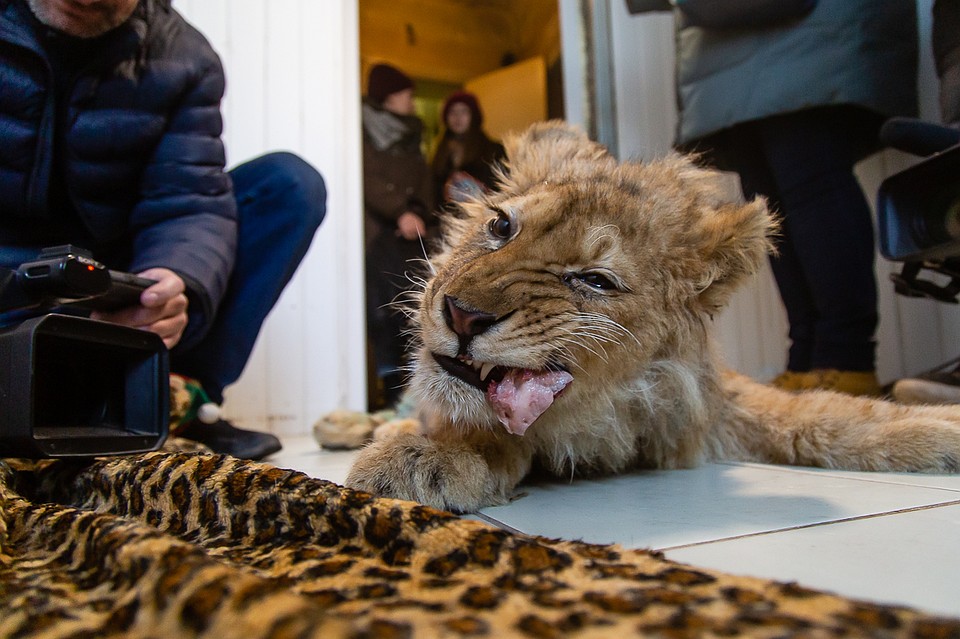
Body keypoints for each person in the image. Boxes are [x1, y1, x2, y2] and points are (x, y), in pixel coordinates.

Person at [0, 0, 327, 458]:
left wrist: (174, 279)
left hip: (109, 285)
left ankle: (186, 399)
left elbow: (188, 200)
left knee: (289, 187)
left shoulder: (186, 57)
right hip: (8, 282)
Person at [628, 0, 919, 396]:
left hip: (807, 34)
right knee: (770, 191)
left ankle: (846, 357)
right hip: (745, 52)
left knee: (809, 178)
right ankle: (808, 359)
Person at [361, 63, 435, 409]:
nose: (412, 101)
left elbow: (424, 180)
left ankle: (413, 393)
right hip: (376, 235)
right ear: (391, 96)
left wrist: (418, 212)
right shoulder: (361, 131)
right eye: (407, 94)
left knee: (413, 306)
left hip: (412, 238)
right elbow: (366, 177)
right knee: (381, 313)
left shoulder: (412, 136)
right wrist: (399, 211)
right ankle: (390, 392)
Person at [430, 91, 505, 210]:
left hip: (482, 218)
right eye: (452, 112)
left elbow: (503, 190)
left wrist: (475, 186)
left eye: (464, 111)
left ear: (474, 116)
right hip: (448, 220)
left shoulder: (493, 150)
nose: (457, 117)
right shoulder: (440, 152)